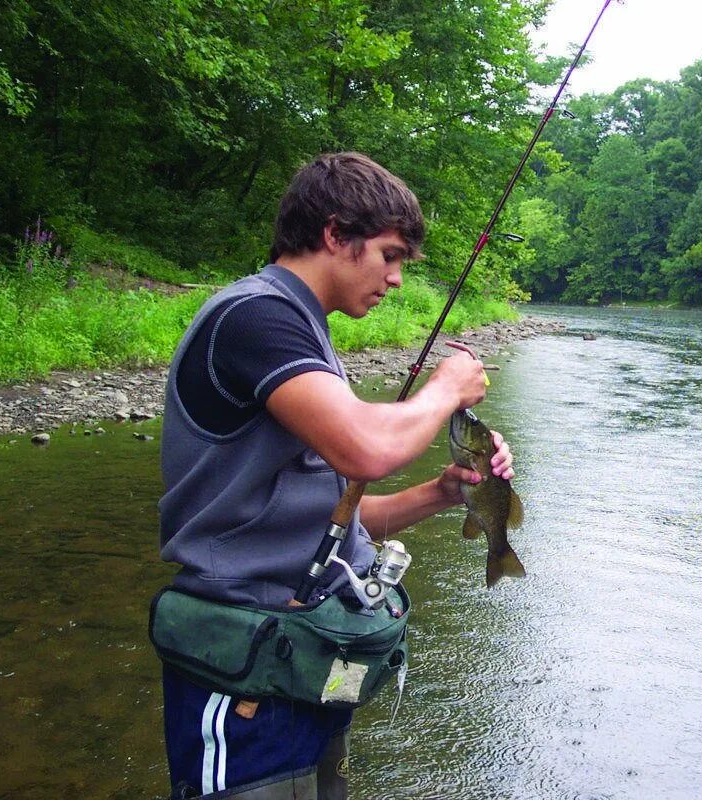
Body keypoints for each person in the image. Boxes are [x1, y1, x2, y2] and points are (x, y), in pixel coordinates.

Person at [156, 152, 514, 799]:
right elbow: (363, 450)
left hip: (319, 657)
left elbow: (331, 516)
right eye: (390, 254)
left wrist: (442, 492)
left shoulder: (305, 335)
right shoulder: (255, 317)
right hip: (244, 667)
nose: (398, 279)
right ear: (333, 232)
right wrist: (444, 390)